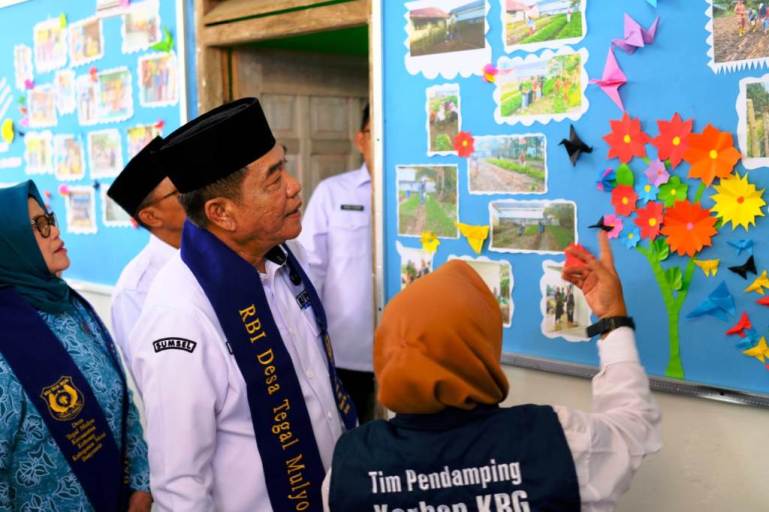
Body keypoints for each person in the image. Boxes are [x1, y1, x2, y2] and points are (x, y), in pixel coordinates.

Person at [323, 232, 661, 511]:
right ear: (481, 348)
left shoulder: (348, 468)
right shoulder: (557, 440)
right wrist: (612, 318)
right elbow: (633, 428)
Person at [130, 97, 356, 511]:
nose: (294, 186)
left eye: (284, 166)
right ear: (222, 213)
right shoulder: (180, 314)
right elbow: (181, 485)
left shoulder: (287, 257)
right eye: (274, 179)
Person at [0, 180, 151, 511]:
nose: (54, 231)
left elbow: (121, 398)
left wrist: (141, 484)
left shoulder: (70, 305)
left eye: (49, 219)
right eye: (37, 226)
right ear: (10, 244)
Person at [299, 104, 376, 423]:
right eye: (374, 133)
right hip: (345, 350)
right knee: (350, 437)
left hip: (408, 349)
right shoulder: (332, 193)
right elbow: (310, 268)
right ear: (361, 139)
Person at [107, 136, 186, 369]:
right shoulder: (135, 290)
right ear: (151, 216)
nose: (195, 194)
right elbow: (156, 372)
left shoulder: (220, 251)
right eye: (179, 192)